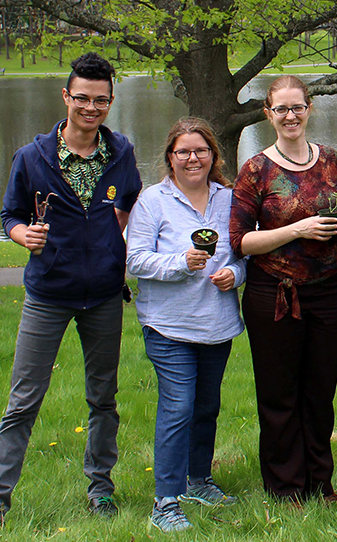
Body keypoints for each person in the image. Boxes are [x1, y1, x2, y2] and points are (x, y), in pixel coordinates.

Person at [0, 52, 142, 528]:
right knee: (24, 399)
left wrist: (115, 232)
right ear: (66, 97)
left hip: (106, 296)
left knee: (103, 399)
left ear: (110, 102)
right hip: (48, 294)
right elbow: (9, 214)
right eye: (82, 98)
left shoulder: (122, 153)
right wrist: (21, 235)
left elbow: (130, 201)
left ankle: (100, 489)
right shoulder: (32, 157)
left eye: (101, 100)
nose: (91, 108)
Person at [229, 76, 337, 504]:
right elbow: (240, 241)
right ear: (268, 114)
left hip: (331, 292)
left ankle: (320, 481)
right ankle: (285, 486)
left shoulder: (333, 161)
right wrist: (296, 228)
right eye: (281, 109)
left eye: (297, 107)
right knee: (280, 394)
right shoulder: (256, 170)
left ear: (309, 108)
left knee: (319, 391)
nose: (290, 116)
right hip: (274, 294)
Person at [126, 118, 246, 532]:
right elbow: (135, 259)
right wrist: (180, 264)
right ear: (170, 158)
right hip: (168, 326)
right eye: (183, 152)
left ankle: (199, 480)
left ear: (214, 155)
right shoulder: (152, 201)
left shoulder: (230, 199)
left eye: (201, 151)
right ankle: (165, 501)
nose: (192, 158)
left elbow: (244, 251)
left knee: (206, 407)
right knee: (178, 407)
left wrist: (235, 273)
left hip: (216, 322)